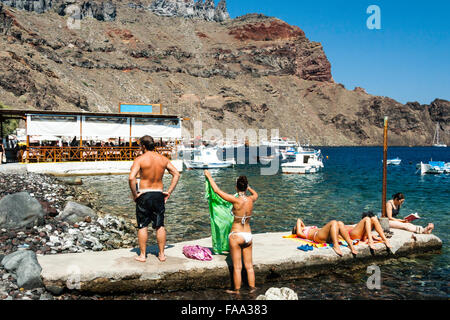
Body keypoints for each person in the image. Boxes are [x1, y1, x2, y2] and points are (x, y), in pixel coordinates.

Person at [204, 170, 258, 294]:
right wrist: (248, 187)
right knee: (249, 267)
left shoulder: (235, 200)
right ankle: (252, 290)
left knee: (237, 267)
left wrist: (209, 176)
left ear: (236, 187)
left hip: (236, 235)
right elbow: (256, 194)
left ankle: (237, 292)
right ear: (246, 186)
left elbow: (217, 191)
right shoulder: (251, 199)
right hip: (248, 236)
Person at [129, 135, 180, 263]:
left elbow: (131, 178)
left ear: (143, 146)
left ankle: (142, 255)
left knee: (143, 225)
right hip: (158, 193)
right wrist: (168, 192)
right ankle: (162, 254)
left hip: (145, 194)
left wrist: (135, 194)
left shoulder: (140, 159)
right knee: (160, 225)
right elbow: (176, 174)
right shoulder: (163, 159)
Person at [292, 218, 358, 256]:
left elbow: (300, 222)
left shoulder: (306, 228)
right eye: (297, 227)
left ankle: (350, 245)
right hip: (318, 236)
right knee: (333, 222)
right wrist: (299, 228)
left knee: (340, 223)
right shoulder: (301, 233)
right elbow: (299, 220)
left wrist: (304, 227)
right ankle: (336, 245)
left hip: (324, 235)